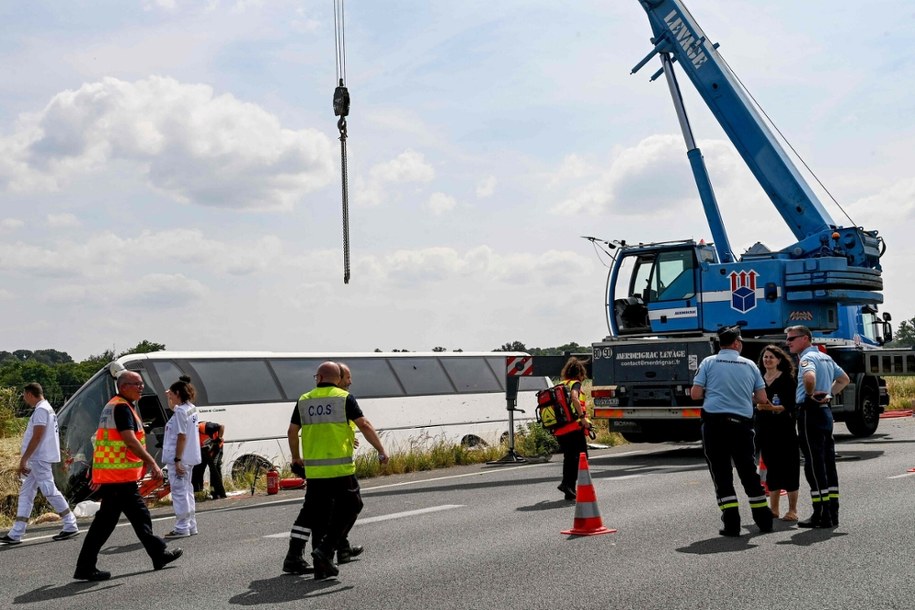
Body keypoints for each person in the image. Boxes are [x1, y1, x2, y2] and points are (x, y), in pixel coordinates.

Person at [282, 361, 388, 580]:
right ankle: (326, 549)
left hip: (315, 472)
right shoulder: (343, 398)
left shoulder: (304, 400)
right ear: (338, 379)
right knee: (352, 506)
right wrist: (381, 450)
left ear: (319, 378)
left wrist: (295, 457)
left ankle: (321, 563)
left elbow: (292, 431)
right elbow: (364, 425)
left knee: (318, 515)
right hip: (340, 470)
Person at [73, 371, 183, 581]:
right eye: (136, 384)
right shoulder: (122, 407)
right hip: (119, 477)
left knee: (111, 522)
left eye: (141, 384)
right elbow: (129, 440)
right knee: (134, 517)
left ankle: (86, 566)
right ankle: (158, 554)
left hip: (115, 476)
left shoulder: (114, 406)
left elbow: (104, 441)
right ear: (123, 386)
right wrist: (152, 462)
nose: (141, 387)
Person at [690, 326, 774, 536]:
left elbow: (695, 394)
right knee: (748, 471)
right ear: (736, 343)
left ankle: (732, 523)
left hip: (714, 425)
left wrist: (715, 392)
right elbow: (762, 398)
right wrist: (743, 396)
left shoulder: (708, 362)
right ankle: (764, 520)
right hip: (741, 425)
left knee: (721, 473)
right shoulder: (750, 365)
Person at [785, 325, 850, 529]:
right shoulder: (825, 357)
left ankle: (821, 513)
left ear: (805, 338)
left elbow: (809, 377)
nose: (788, 342)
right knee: (828, 462)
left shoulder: (807, 358)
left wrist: (810, 395)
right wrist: (829, 394)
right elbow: (844, 379)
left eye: (791, 339)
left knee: (814, 463)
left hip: (809, 412)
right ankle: (833, 512)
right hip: (825, 412)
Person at [0, 383, 80, 545]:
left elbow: (37, 436)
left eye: (24, 395)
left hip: (39, 457)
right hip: (38, 457)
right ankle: (16, 532)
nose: (24, 399)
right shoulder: (46, 409)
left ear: (30, 394)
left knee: (49, 490)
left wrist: (24, 459)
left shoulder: (41, 410)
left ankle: (70, 523)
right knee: (27, 493)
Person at [755, 345, 801, 521]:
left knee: (790, 468)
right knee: (771, 468)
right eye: (765, 357)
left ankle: (792, 510)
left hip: (784, 430)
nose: (767, 360)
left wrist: (772, 408)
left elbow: (790, 404)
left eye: (771, 357)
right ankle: (774, 509)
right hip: (765, 430)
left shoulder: (787, 379)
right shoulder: (759, 379)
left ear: (779, 360)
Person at [162, 376, 202, 538]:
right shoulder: (191, 408)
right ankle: (191, 525)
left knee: (179, 493)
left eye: (171, 394)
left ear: (178, 393)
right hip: (190, 457)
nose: (170, 396)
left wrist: (177, 460)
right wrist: (170, 398)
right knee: (187, 490)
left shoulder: (180, 411)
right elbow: (175, 409)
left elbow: (181, 436)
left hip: (180, 457)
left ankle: (181, 527)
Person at [554, 357, 592, 501]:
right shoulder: (575, 384)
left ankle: (568, 488)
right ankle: (568, 484)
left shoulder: (561, 384)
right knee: (582, 457)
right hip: (573, 427)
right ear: (579, 373)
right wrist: (582, 418)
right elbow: (575, 398)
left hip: (560, 428)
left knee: (569, 457)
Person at [192, 421, 226, 499]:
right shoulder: (189, 435)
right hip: (204, 450)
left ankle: (216, 492)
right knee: (198, 469)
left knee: (215, 468)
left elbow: (222, 426)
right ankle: (198, 492)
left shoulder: (203, 427)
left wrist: (218, 438)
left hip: (216, 448)